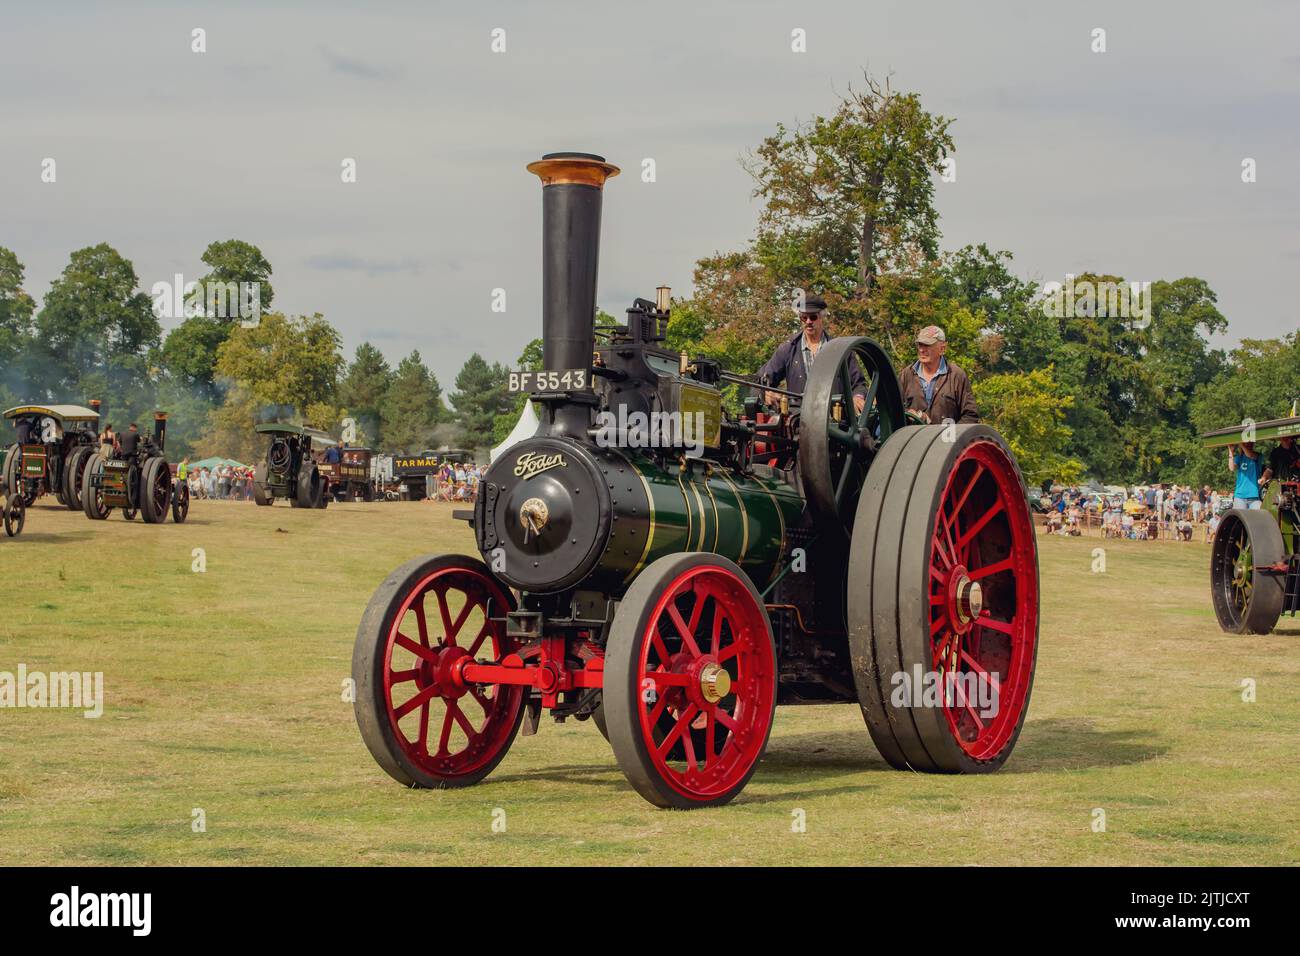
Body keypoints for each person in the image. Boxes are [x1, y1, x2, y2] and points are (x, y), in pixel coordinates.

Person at [758, 294, 867, 415]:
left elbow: (859, 385)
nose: (808, 322)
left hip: (835, 421)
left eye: (813, 317)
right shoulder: (788, 349)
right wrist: (767, 392)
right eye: (804, 318)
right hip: (799, 422)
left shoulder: (841, 351)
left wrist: (858, 397)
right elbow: (763, 379)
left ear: (822, 317)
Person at [897, 325, 979, 425]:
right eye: (920, 345)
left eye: (927, 345)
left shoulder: (956, 375)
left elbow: (970, 415)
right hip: (913, 439)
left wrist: (952, 436)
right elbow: (893, 409)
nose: (922, 350)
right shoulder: (906, 374)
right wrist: (910, 415)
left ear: (942, 348)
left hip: (947, 439)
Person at [1226, 441, 1262, 509]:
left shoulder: (1258, 455)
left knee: (1257, 518)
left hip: (1254, 496)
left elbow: (1250, 455)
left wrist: (1240, 444)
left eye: (1250, 443)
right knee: (1239, 519)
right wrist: (1231, 451)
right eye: (1245, 443)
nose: (1248, 444)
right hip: (1240, 496)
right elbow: (1231, 468)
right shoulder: (1239, 457)